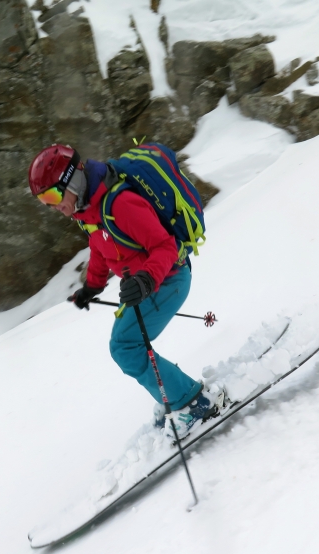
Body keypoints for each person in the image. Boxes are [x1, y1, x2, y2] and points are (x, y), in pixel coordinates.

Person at [28, 144, 215, 439]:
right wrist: (92, 286)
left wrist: (145, 280)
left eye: (52, 196)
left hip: (168, 279)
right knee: (127, 347)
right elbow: (101, 247)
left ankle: (191, 404)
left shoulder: (120, 204)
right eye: (44, 202)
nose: (53, 207)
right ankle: (175, 396)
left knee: (125, 348)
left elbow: (164, 246)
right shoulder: (89, 209)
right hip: (147, 285)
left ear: (72, 181)